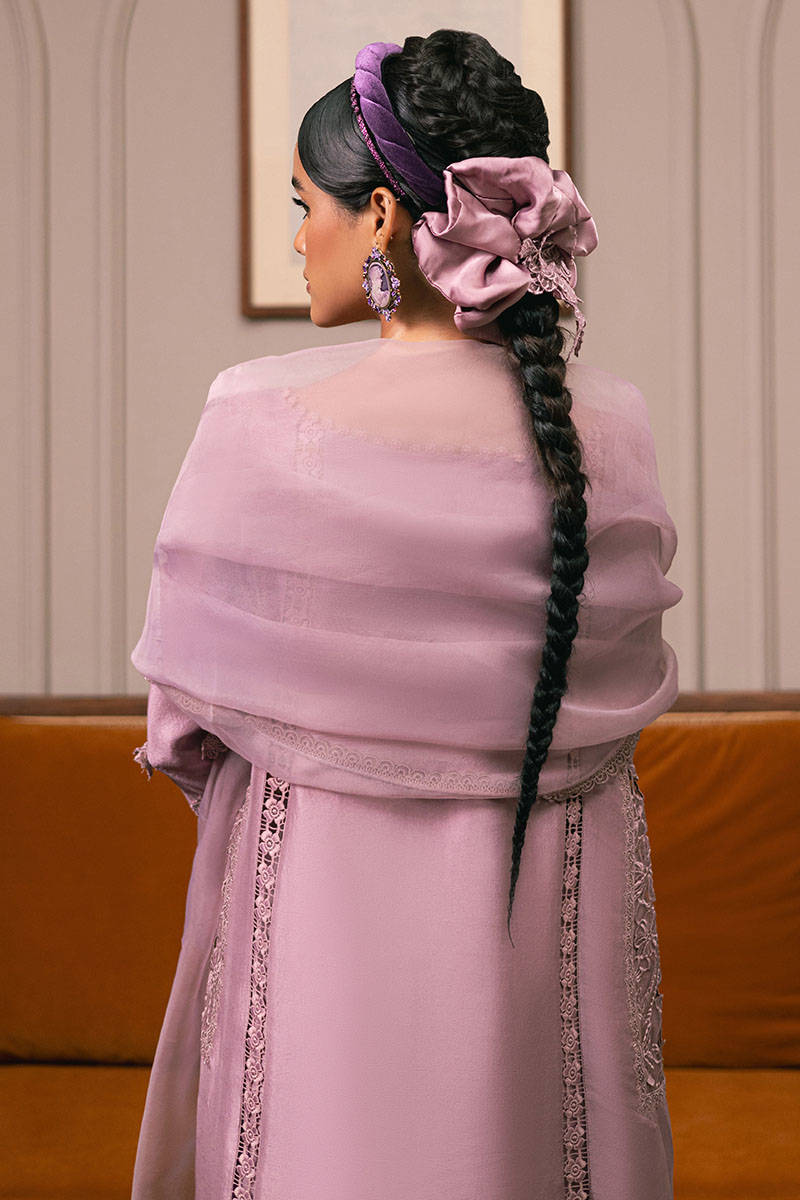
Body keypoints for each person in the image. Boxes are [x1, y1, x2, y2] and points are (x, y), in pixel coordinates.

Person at [129, 30, 682, 1200]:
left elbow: (181, 730)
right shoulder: (612, 426)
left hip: (325, 933)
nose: (299, 236)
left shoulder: (259, 423)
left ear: (380, 215)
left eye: (305, 205)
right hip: (538, 930)